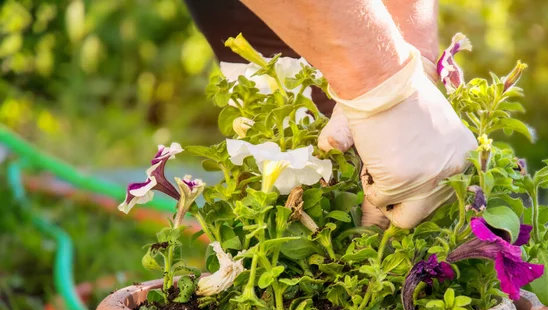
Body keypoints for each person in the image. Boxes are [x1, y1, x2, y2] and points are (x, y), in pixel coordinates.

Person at [184, 0, 476, 229]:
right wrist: (379, 81)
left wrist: (412, 60)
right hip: (277, 48)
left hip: (356, 47)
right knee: (283, 210)